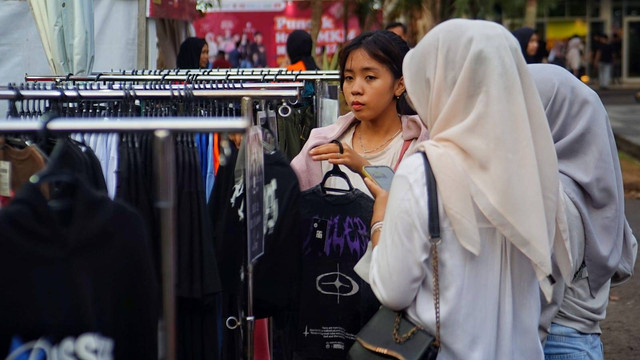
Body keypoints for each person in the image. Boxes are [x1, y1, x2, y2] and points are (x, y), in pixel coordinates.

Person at [365, 19, 565, 359]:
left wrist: (380, 221)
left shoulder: (422, 172)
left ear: (440, 84)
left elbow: (393, 291)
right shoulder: (535, 167)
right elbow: (552, 283)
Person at [529, 63, 637, 360]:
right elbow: (624, 253)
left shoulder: (554, 195)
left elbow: (541, 295)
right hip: (581, 337)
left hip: (552, 341)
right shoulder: (592, 181)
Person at [290, 30, 428, 194]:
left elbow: (412, 208)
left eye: (370, 77)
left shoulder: (420, 147)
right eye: (349, 78)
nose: (355, 89)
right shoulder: (322, 145)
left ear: (399, 85)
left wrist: (363, 168)